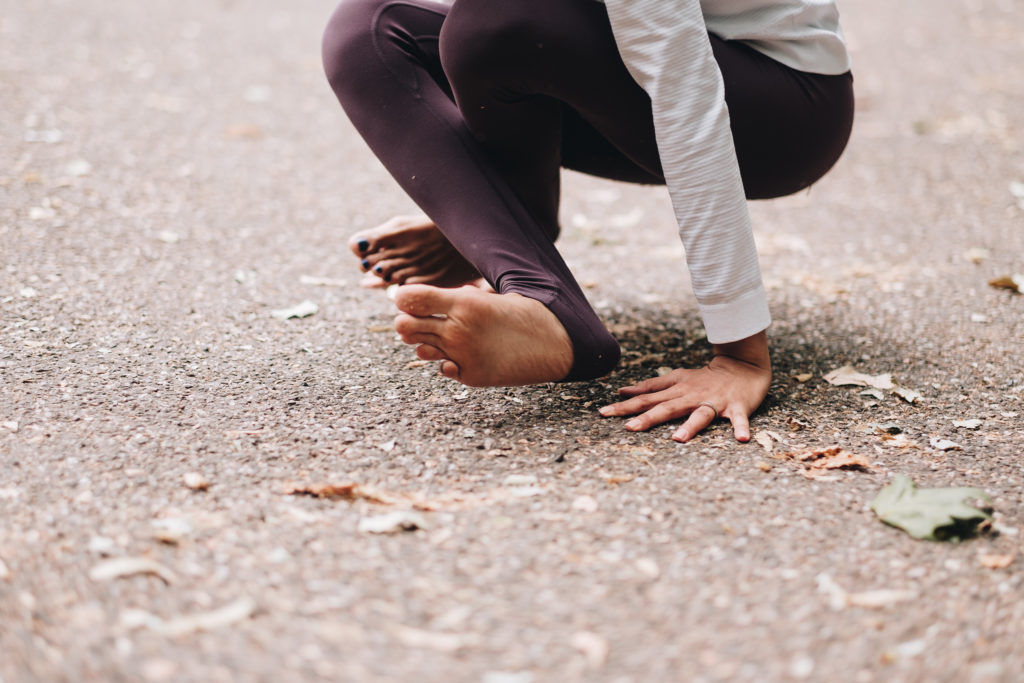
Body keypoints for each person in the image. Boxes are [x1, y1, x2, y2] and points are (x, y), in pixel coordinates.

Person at [321, 0, 854, 443]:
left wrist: (740, 355)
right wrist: (469, 208)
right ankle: (515, 249)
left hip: (782, 111)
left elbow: (684, 89)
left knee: (498, 21)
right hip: (627, 68)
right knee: (368, 30)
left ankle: (545, 295)